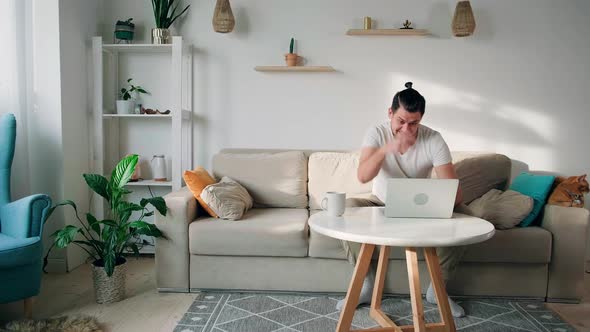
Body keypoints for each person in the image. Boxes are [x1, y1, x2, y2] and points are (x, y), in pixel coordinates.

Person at [336, 82, 468, 318]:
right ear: (390, 113)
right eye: (401, 121)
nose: (406, 129)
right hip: (380, 202)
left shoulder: (434, 139)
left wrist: (440, 198)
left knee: (464, 213)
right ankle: (365, 285)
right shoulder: (377, 133)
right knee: (349, 209)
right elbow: (363, 176)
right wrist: (387, 148)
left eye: (414, 123)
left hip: (418, 206)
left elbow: (455, 195)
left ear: (422, 118)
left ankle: (438, 289)